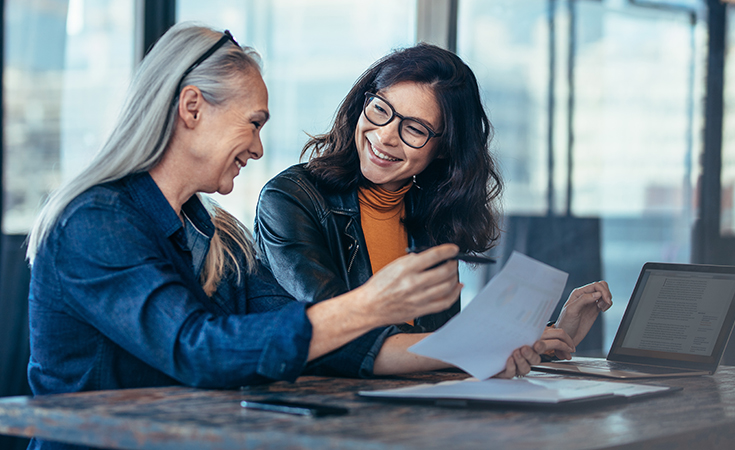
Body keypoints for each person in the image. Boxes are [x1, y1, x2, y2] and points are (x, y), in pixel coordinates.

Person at [25, 22, 547, 421]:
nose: (256, 147)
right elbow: (197, 350)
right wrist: (371, 304)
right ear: (191, 108)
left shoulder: (218, 235)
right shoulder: (94, 222)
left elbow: (322, 345)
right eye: (253, 124)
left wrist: (481, 353)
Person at [255, 43, 612, 361]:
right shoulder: (290, 198)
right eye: (380, 109)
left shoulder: (433, 214)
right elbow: (335, 335)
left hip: (414, 412)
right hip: (320, 415)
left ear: (444, 150)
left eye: (414, 129)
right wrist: (483, 346)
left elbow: (441, 347)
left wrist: (549, 336)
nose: (385, 136)